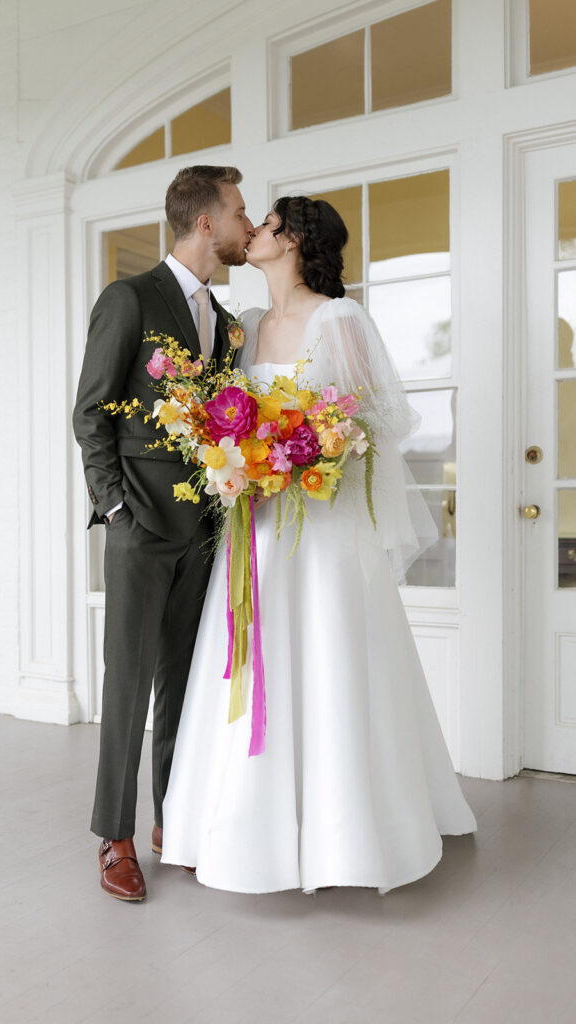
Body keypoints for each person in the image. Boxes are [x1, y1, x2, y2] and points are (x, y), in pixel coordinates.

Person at [161, 196, 477, 894]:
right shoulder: (243, 326)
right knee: (254, 654)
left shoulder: (339, 318)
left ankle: (348, 837)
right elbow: (223, 415)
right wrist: (238, 458)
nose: (255, 230)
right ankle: (237, 829)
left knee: (329, 654)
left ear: (296, 241)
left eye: (267, 223)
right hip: (259, 526)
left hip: (321, 524)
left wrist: (302, 455)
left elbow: (376, 419)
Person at [72, 165, 254, 902]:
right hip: (141, 524)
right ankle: (114, 837)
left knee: (183, 683)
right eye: (239, 211)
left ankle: (170, 821)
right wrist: (116, 507)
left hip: (207, 529)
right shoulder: (129, 299)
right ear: (205, 222)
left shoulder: (229, 321)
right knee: (127, 686)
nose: (247, 224)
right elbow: (91, 412)